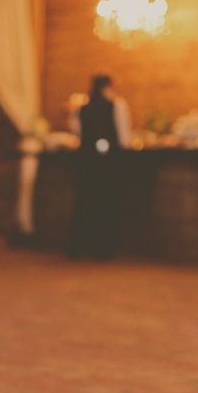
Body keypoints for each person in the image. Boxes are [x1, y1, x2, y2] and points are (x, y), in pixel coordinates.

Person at [66, 74, 133, 260]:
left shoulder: (81, 108)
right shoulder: (117, 105)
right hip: (107, 163)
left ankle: (79, 247)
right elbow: (124, 138)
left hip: (86, 162)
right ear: (108, 87)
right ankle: (102, 249)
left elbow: (77, 134)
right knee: (105, 203)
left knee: (85, 203)